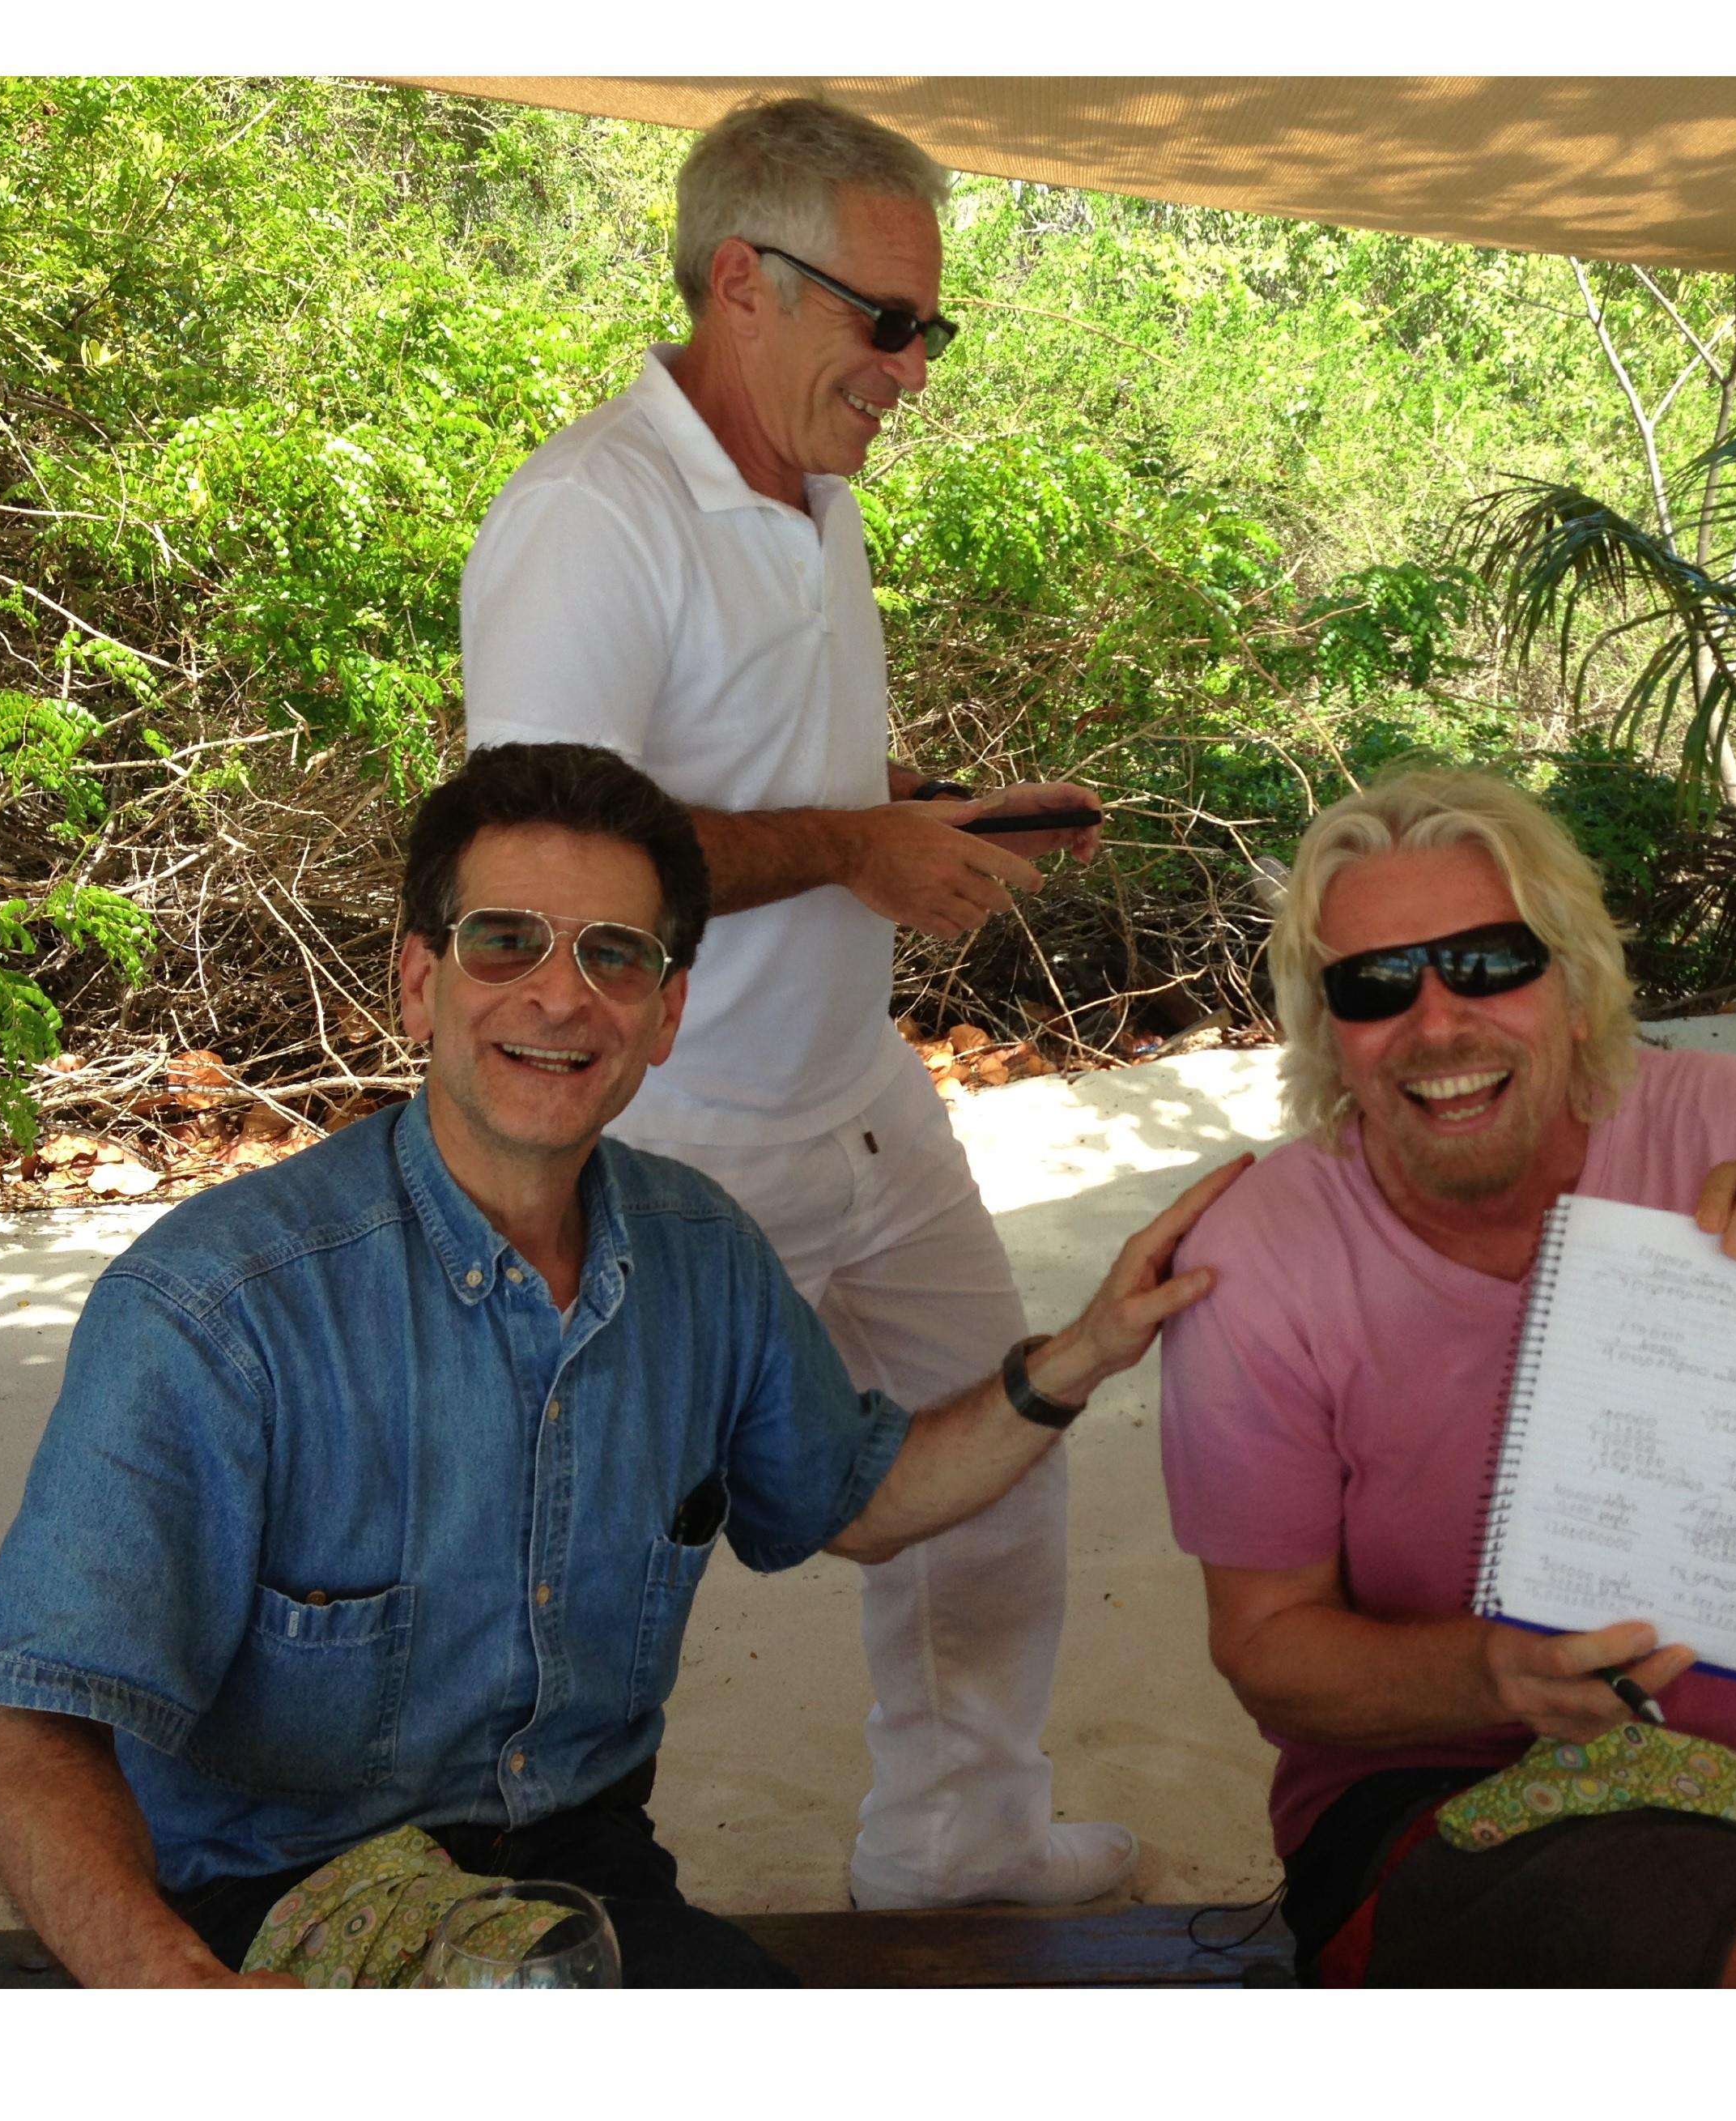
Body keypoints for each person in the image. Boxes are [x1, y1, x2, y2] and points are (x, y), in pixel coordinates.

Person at [0, 742, 1241, 1987]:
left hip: (583, 1886)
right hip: (266, 1911)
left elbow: (858, 1499)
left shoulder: (700, 1257)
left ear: (666, 1011)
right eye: (505, 941)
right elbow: (34, 1712)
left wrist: (1081, 1353)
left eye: (614, 955)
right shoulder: (219, 1306)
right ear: (420, 983)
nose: (562, 997)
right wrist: (172, 1994)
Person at [457, 96, 1125, 1913]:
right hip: (669, 1148)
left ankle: (959, 1845)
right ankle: (510, 1912)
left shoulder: (810, 494)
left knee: (1000, 1459)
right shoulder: (593, 515)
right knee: (579, 1565)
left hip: (859, 1099)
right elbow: (546, 871)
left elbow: (758, 767)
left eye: (932, 327)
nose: (912, 368)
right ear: (739, 280)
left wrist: (909, 818)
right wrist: (851, 843)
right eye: (885, 320)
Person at [1156, 768, 1736, 1986]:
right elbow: (1263, 1648)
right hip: (1423, 1803)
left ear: (1576, 987)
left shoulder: (1726, 1131)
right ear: (1332, 1035)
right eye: (1376, 985)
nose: (1437, 1024)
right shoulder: (1263, 1252)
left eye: (1488, 962)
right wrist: (1490, 1672)